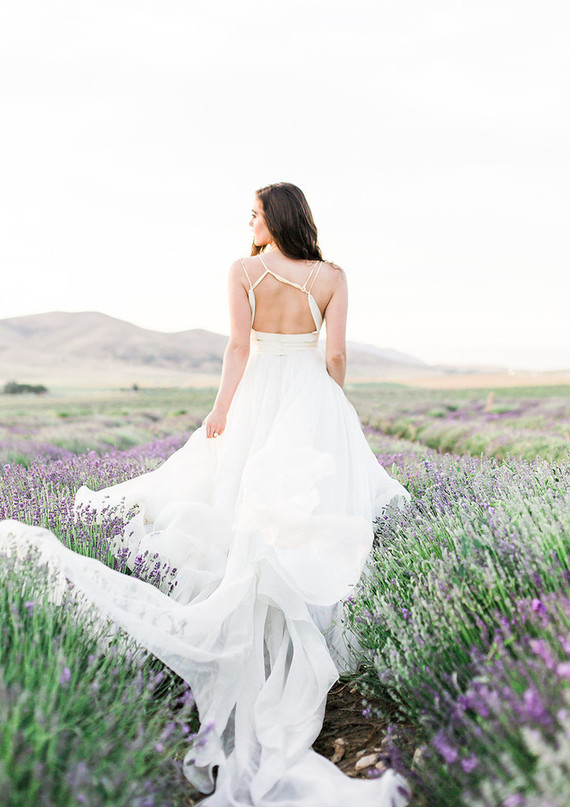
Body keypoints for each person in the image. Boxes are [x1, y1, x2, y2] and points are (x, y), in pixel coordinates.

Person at [0, 183, 411, 806]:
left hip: (257, 393)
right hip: (309, 395)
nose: (250, 224)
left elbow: (239, 347)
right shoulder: (331, 277)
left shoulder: (244, 271)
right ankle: (308, 606)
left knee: (237, 496)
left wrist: (220, 409)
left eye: (255, 214)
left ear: (275, 218)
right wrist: (333, 407)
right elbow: (336, 354)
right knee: (310, 505)